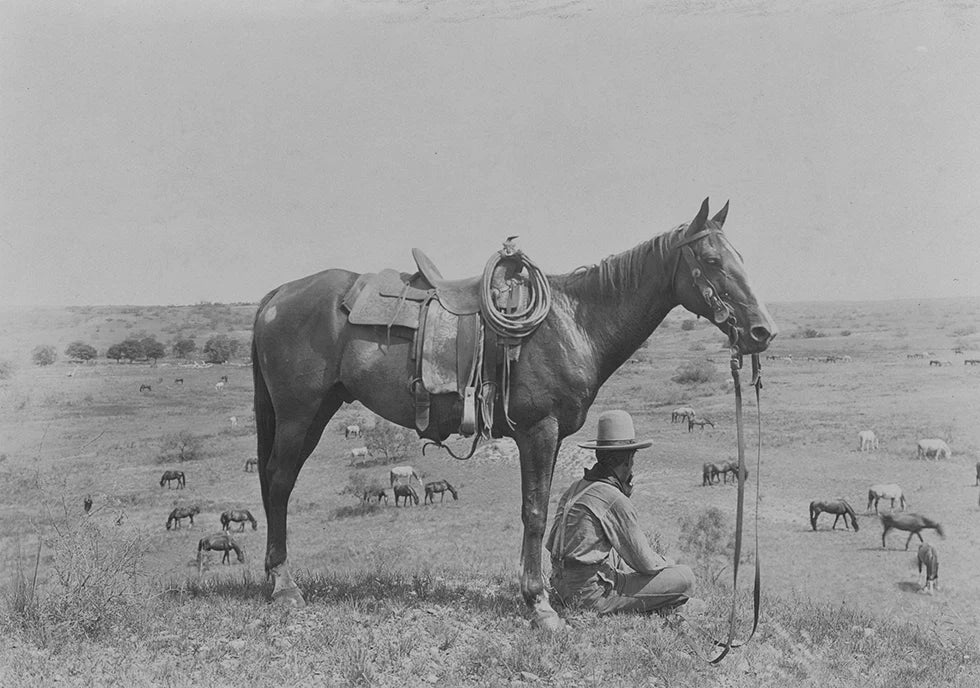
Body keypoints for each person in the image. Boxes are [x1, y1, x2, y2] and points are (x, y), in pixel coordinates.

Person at [546, 409, 696, 615]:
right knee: (685, 577)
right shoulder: (613, 498)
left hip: (559, 587)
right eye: (632, 460)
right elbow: (645, 563)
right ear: (627, 460)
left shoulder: (575, 488)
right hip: (590, 595)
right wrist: (668, 563)